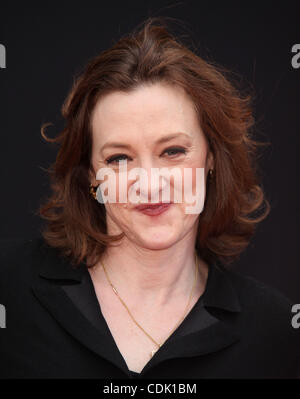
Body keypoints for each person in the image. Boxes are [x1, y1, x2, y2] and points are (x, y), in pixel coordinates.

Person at [0, 17, 299, 379]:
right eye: (119, 159)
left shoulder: (275, 331)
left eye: (172, 151)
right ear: (93, 176)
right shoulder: (10, 287)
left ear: (211, 158)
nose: (149, 184)